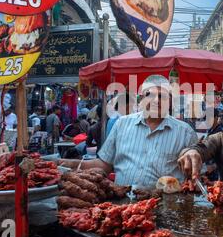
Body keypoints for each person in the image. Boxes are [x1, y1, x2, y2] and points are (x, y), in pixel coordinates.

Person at [60, 75, 199, 188]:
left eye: (162, 96)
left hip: (167, 210)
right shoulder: (122, 124)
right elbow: (105, 164)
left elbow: (195, 176)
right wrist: (67, 164)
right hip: (123, 207)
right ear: (141, 98)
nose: (156, 100)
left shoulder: (185, 132)